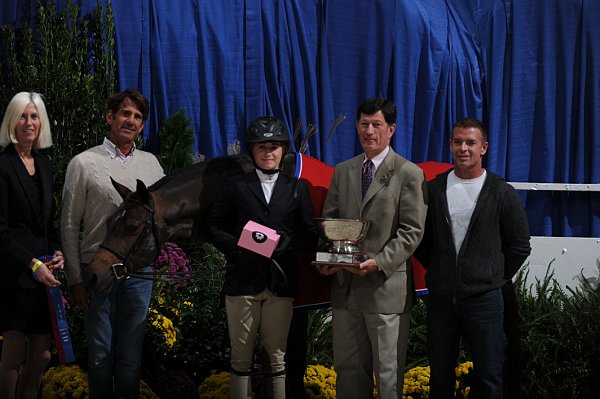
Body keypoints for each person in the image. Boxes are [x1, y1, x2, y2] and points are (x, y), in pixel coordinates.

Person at [318, 98, 428, 399]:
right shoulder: (342, 171)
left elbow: (412, 231)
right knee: (348, 371)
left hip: (385, 290)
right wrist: (328, 256)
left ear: (391, 129)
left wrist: (379, 262)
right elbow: (330, 221)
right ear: (356, 127)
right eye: (364, 124)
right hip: (346, 289)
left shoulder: (409, 173)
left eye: (376, 124)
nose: (369, 131)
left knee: (388, 375)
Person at [414, 117, 531, 399]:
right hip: (441, 300)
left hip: (486, 301)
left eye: (470, 142)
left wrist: (493, 276)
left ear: (484, 148)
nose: (463, 148)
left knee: (490, 379)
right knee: (440, 377)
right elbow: (422, 240)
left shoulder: (502, 192)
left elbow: (519, 246)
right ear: (450, 145)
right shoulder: (433, 189)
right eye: (457, 142)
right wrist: (444, 272)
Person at [60, 89, 164, 399]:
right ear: (110, 117)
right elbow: (68, 225)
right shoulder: (84, 163)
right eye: (125, 114)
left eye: (138, 117)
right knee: (101, 358)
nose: (131, 121)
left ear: (142, 125)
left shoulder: (153, 165)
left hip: (139, 277)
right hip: (99, 273)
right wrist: (75, 279)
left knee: (131, 362)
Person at [208, 116, 318, 399]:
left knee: (277, 359)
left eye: (274, 146)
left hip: (281, 284)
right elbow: (212, 226)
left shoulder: (297, 188)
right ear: (252, 151)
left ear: (283, 150)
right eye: (261, 147)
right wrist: (237, 247)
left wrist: (285, 244)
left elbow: (309, 232)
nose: (268, 152)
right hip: (242, 282)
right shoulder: (235, 186)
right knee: (240, 360)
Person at [0, 92, 64, 399]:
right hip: (15, 272)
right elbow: (1, 233)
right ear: (13, 121)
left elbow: (48, 223)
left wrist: (57, 252)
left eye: (35, 116)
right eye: (23, 116)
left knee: (42, 356)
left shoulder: (46, 165)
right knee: (14, 353)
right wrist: (32, 264)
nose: (29, 123)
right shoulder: (2, 165)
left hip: (44, 273)